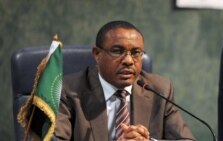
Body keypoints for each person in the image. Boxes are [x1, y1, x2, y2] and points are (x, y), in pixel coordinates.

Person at [54, 21, 194, 141]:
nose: (128, 61)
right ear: (97, 55)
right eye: (117, 51)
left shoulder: (160, 90)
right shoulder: (68, 90)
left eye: (136, 53)